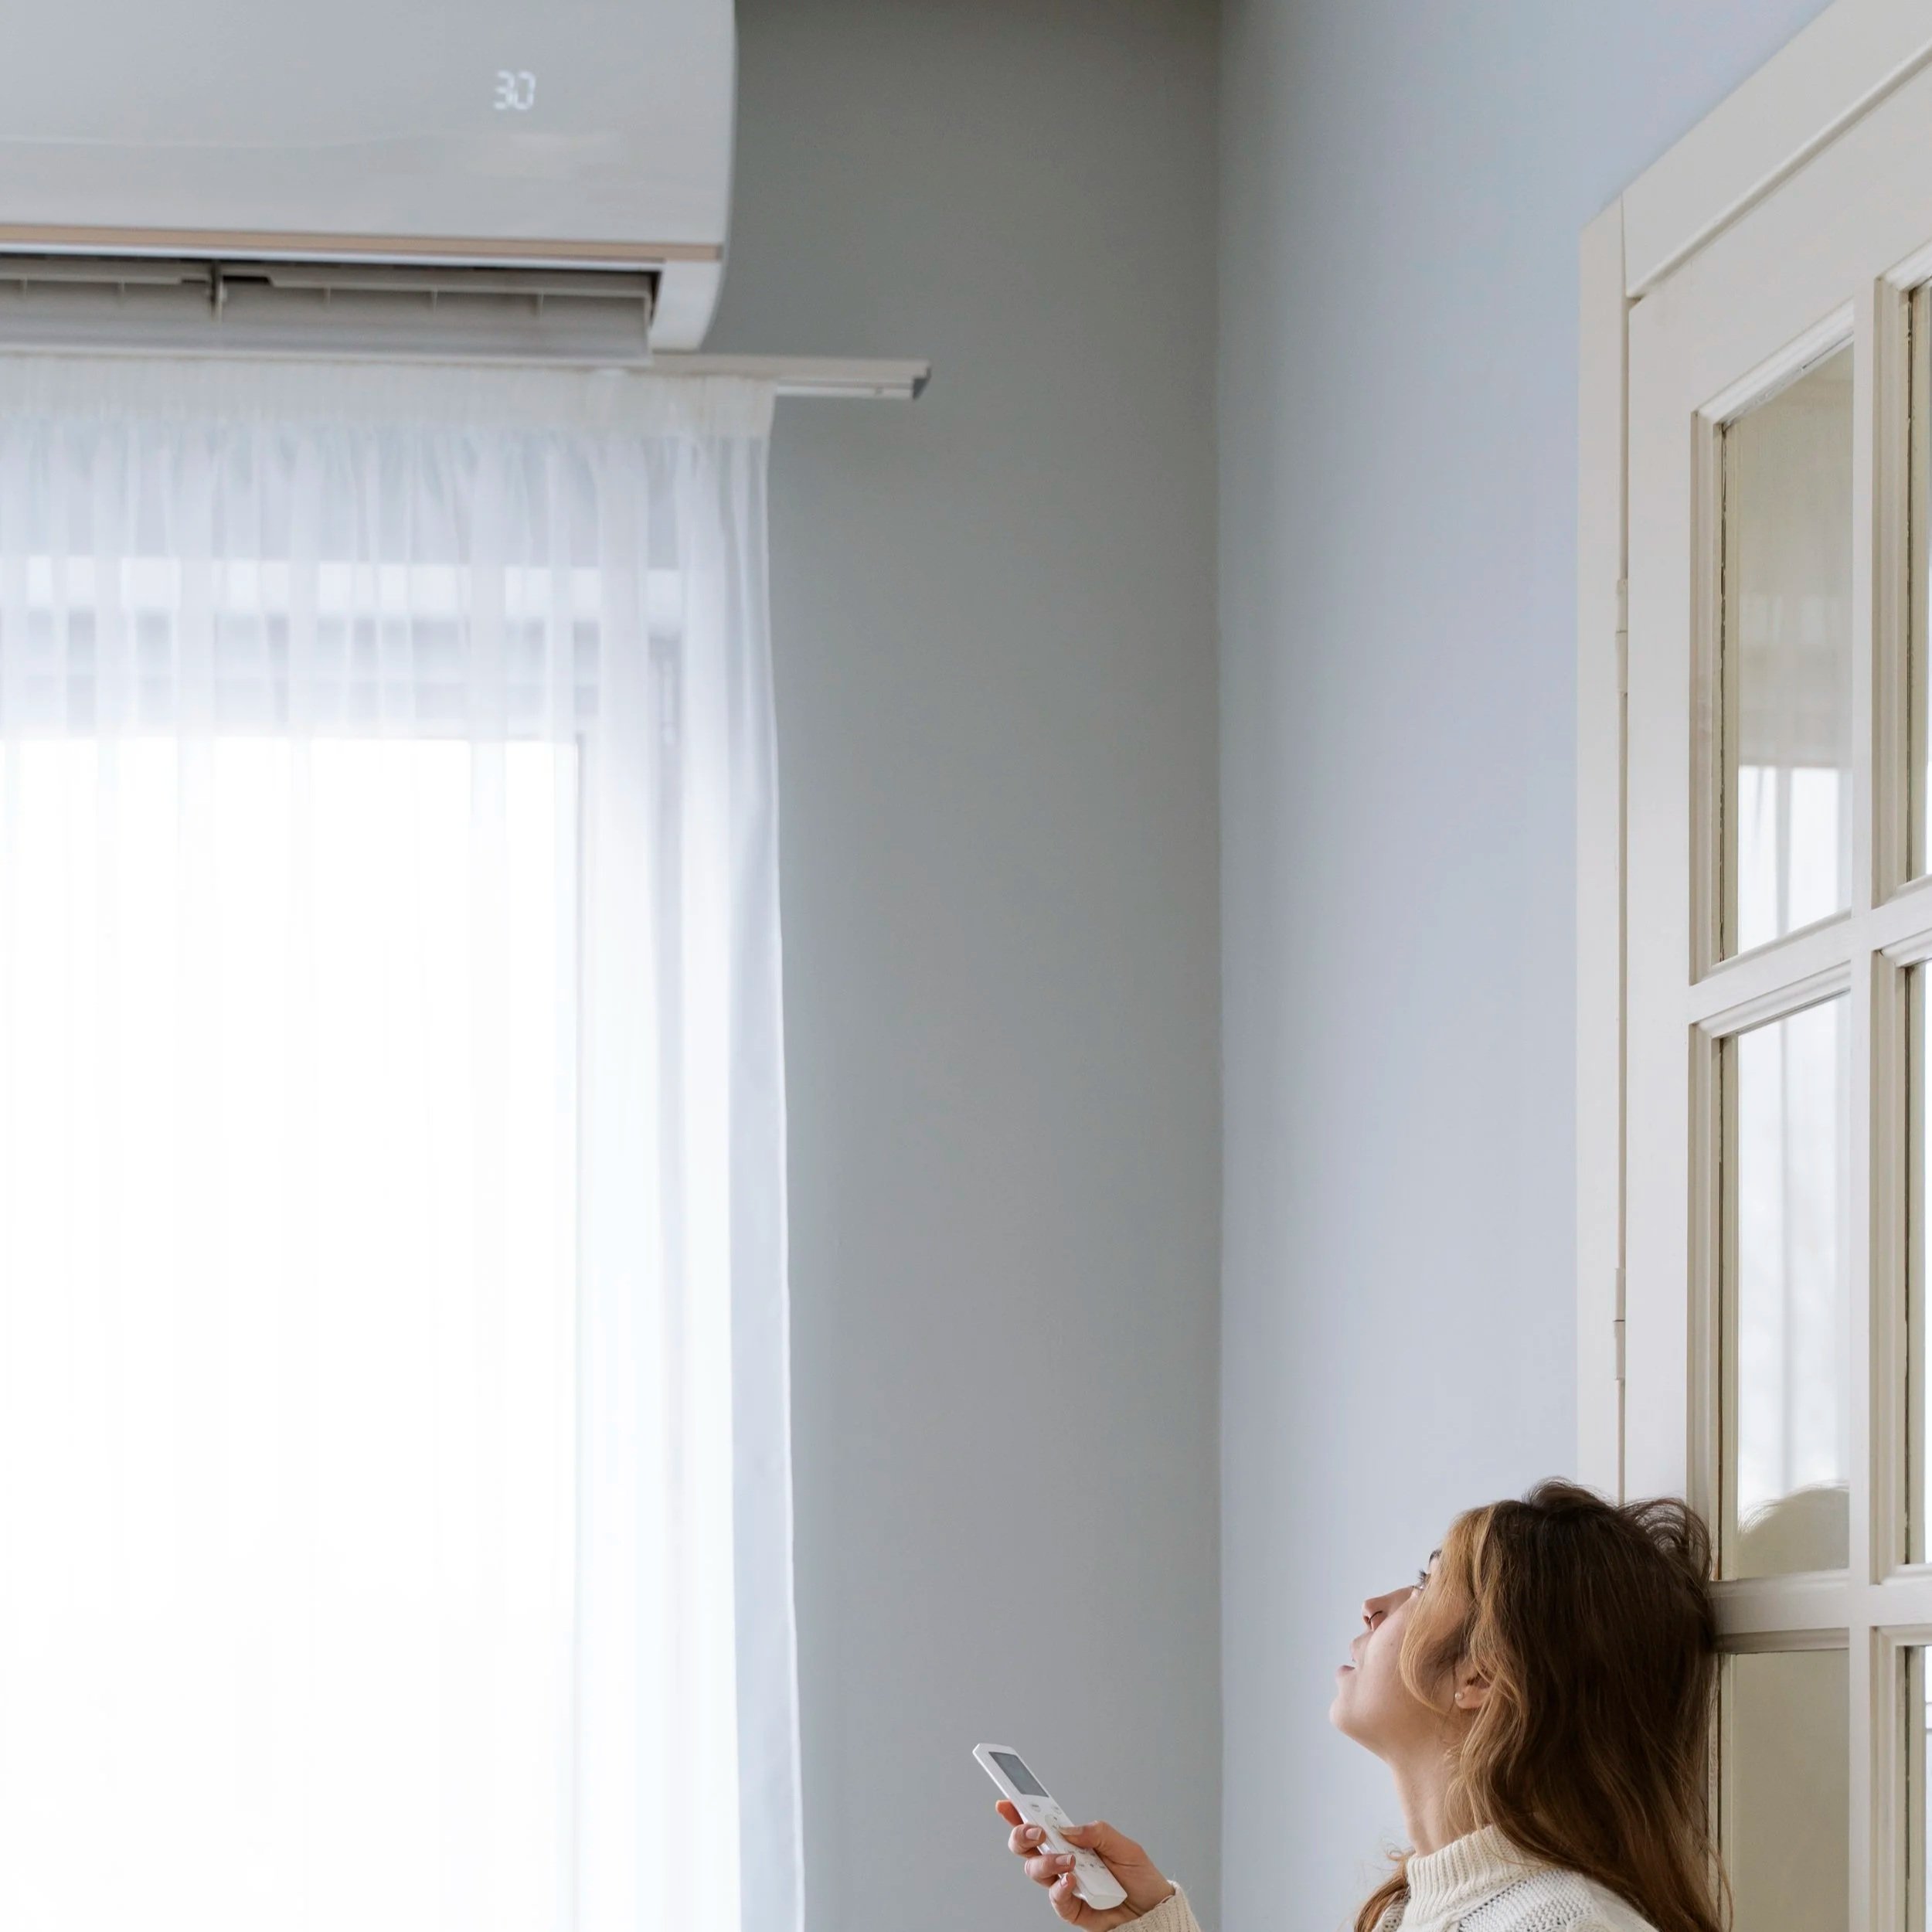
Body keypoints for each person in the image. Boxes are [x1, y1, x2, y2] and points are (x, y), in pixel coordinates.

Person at [994, 1480, 1723, 1932]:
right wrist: (1147, 1922)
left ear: (1485, 1678)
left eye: (1429, 1583)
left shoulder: (1561, 1928)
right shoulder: (1418, 1911)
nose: (1375, 1606)